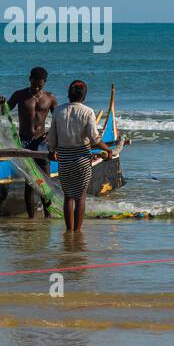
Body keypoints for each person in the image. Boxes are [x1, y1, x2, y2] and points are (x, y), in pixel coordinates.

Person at [47, 80, 113, 233]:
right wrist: (107, 149)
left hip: (64, 158)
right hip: (82, 159)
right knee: (80, 196)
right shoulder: (87, 111)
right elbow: (94, 139)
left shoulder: (58, 111)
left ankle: (69, 231)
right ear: (84, 96)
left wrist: (52, 151)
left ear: (68, 94)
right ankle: (77, 232)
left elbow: (52, 136)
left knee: (68, 196)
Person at [0, 67, 59, 217]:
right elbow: (3, 113)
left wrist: (50, 134)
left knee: (45, 182)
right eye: (34, 83)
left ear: (45, 82)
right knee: (30, 183)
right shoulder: (20, 95)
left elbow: (58, 119)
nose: (36, 87)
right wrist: (0, 104)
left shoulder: (50, 98)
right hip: (24, 143)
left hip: (42, 144)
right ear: (29, 79)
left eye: (40, 84)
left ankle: (48, 216)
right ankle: (31, 218)